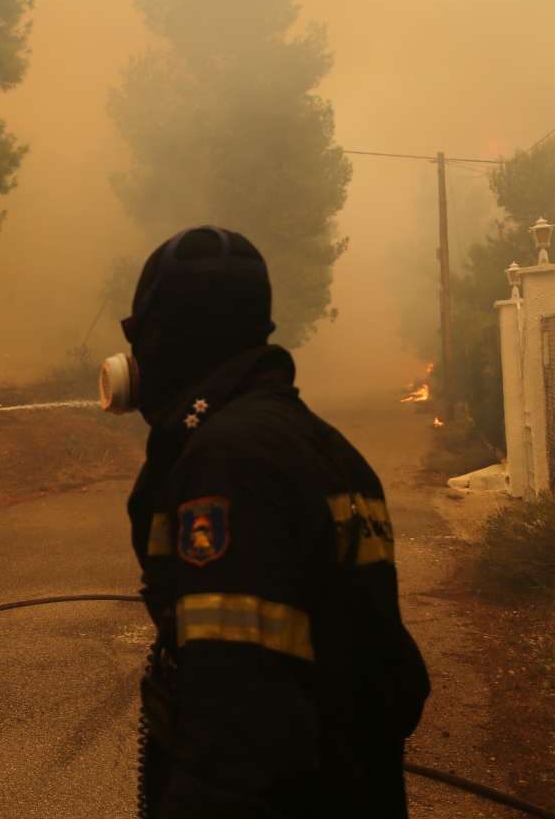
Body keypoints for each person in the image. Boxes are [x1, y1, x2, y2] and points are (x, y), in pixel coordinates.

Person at [116, 226, 430, 819]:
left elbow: (238, 730)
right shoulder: (329, 449)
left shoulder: (229, 462)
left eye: (143, 336)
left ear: (170, 336)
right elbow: (395, 681)